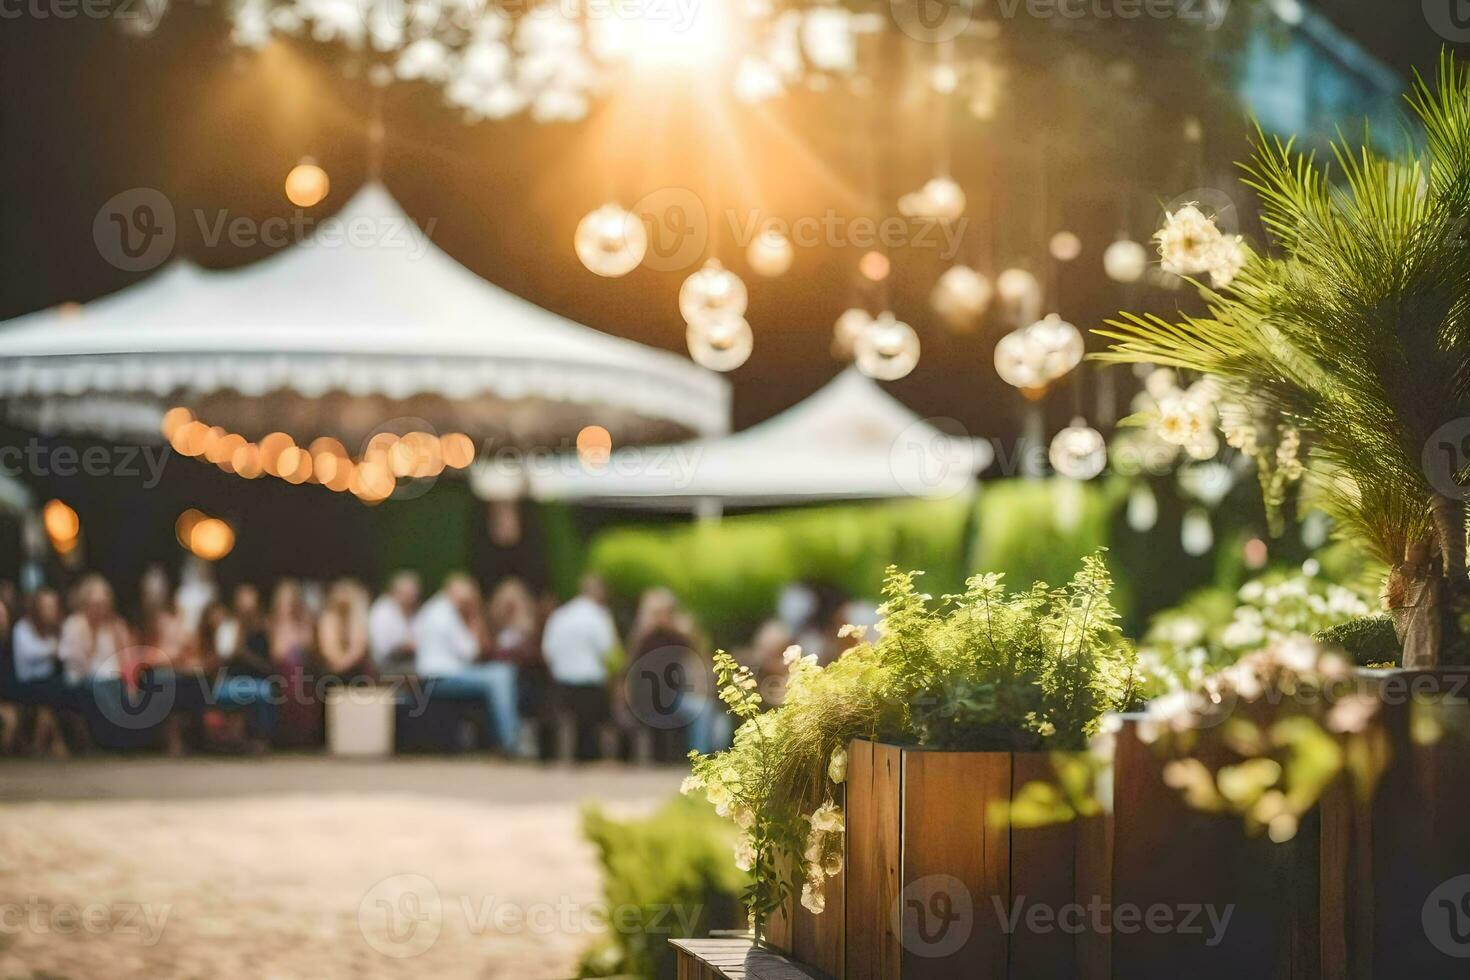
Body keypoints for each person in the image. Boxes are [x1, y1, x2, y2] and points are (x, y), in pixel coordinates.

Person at [414, 574, 519, 753]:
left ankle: (502, 739)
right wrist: (474, 617)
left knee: (498, 674)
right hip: (439, 677)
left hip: (432, 675)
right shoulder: (447, 613)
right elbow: (471, 652)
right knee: (502, 675)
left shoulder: (430, 609)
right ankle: (510, 742)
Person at [625, 587, 728, 756]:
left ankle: (700, 756)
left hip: (670, 699)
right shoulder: (643, 639)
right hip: (648, 701)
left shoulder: (676, 637)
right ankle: (699, 757)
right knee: (703, 709)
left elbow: (699, 656)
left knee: (705, 709)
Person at [542, 574, 618, 761]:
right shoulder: (600, 616)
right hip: (591, 685)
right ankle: (590, 758)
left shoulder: (560, 615)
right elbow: (609, 652)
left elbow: (547, 651)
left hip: (562, 684)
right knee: (591, 728)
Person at [317, 579, 372, 681]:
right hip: (332, 673)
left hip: (354, 671)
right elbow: (329, 651)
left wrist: (343, 665)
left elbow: (358, 649)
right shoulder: (328, 618)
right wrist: (341, 664)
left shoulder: (357, 617)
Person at [368, 570, 420, 672]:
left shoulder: (405, 611)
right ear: (396, 591)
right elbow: (383, 647)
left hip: (402, 661)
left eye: (415, 595)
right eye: (410, 594)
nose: (413, 599)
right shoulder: (382, 611)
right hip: (388, 664)